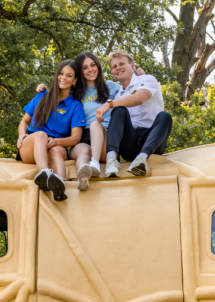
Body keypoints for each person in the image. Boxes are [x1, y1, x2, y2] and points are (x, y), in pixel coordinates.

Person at [94, 49, 172, 178]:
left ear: (132, 66)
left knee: (165, 116)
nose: (118, 68)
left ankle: (141, 160)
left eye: (121, 64)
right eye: (114, 66)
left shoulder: (147, 79)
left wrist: (109, 104)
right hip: (130, 143)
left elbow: (139, 98)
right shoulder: (118, 94)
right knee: (119, 110)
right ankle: (111, 161)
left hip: (152, 142)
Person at [17, 60, 86, 201]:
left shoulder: (76, 106)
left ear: (75, 80)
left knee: (56, 151)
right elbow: (24, 121)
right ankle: (44, 172)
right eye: (61, 74)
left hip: (56, 143)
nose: (63, 78)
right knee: (41, 135)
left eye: (69, 75)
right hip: (32, 144)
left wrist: (55, 141)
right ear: (56, 76)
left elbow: (75, 138)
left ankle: (59, 186)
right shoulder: (42, 95)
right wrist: (22, 134)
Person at [68, 52, 123, 191]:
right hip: (83, 138)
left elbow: (133, 91)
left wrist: (140, 74)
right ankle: (83, 178)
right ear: (80, 72)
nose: (90, 69)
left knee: (95, 124)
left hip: (106, 139)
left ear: (98, 66)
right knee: (84, 151)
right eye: (85, 67)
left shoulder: (111, 86)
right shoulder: (75, 93)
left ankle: (95, 163)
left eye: (93, 65)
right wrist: (42, 89)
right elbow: (57, 93)